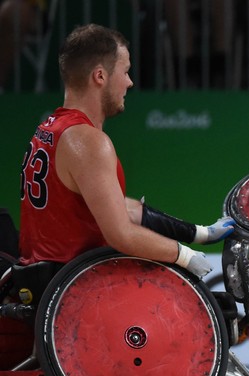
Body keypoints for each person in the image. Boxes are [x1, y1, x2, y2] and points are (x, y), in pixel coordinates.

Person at [18, 23, 233, 279]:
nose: (129, 83)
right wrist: (184, 256)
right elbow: (121, 234)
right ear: (100, 76)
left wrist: (202, 233)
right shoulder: (89, 141)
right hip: (74, 289)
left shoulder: (49, 129)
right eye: (126, 71)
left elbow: (123, 209)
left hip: (44, 278)